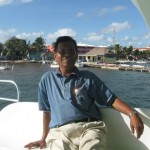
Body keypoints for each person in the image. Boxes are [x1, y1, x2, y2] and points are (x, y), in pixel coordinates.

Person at [25, 36, 144, 150]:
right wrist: (43, 138)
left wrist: (132, 113)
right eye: (63, 51)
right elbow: (46, 112)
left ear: (76, 55)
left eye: (71, 51)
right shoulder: (46, 80)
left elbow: (110, 99)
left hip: (89, 128)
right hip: (60, 133)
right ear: (55, 56)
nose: (67, 54)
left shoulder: (88, 78)